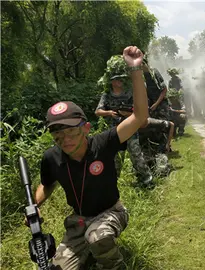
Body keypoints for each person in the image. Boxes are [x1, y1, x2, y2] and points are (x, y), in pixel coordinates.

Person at [31, 46, 148, 270]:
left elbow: (140, 115)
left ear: (85, 128)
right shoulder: (51, 157)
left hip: (111, 212)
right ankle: (90, 253)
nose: (65, 140)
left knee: (99, 238)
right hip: (80, 220)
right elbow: (46, 185)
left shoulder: (104, 143)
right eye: (57, 134)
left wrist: (135, 69)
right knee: (57, 267)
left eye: (71, 132)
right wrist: (34, 205)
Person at [95, 55, 153, 186]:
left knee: (136, 155)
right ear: (112, 81)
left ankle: (146, 180)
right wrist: (109, 112)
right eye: (117, 79)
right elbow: (98, 111)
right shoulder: (107, 95)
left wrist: (129, 113)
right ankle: (113, 182)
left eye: (121, 79)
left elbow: (140, 110)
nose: (120, 81)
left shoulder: (129, 93)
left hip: (130, 129)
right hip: (114, 131)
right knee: (114, 158)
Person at [142, 55, 170, 121]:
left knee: (164, 123)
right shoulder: (141, 76)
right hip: (150, 104)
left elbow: (164, 89)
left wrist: (156, 104)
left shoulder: (154, 72)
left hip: (160, 102)